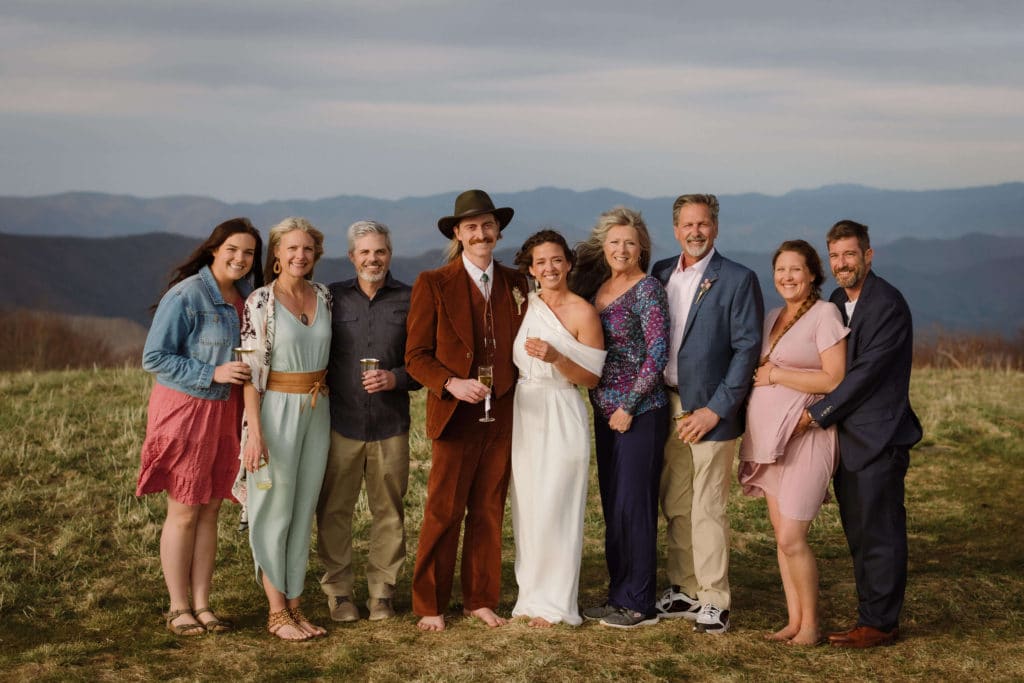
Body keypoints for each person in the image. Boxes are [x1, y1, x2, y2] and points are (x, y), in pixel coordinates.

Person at [405, 189, 530, 631]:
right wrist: (451, 383)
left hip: (505, 414)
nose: (481, 234)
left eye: (488, 225)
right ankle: (430, 604)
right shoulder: (433, 283)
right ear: (458, 234)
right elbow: (416, 356)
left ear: (498, 231)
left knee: (489, 508)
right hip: (455, 416)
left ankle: (480, 598)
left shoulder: (519, 283)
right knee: (444, 509)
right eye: (471, 227)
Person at [137, 217, 263, 636]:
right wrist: (213, 372)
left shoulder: (245, 298)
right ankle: (178, 607)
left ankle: (204, 605)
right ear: (214, 249)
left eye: (248, 253)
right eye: (233, 250)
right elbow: (154, 358)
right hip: (188, 411)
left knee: (210, 510)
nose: (241, 259)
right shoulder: (188, 295)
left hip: (225, 414)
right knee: (185, 510)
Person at [799, 220, 922, 649]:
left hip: (879, 438)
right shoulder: (836, 299)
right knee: (859, 532)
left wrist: (817, 414)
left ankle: (881, 624)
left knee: (880, 534)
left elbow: (864, 376)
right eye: (835, 256)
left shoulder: (887, 304)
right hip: (848, 441)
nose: (841, 263)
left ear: (868, 256)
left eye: (850, 254)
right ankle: (871, 613)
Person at [652, 193, 763, 634]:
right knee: (676, 503)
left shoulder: (737, 279)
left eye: (703, 224)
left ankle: (715, 598)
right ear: (675, 230)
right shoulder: (660, 273)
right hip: (667, 404)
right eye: (687, 225)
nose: (695, 232)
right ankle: (685, 587)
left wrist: (715, 410)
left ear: (714, 228)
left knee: (708, 507)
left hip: (711, 411)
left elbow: (746, 350)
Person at [738, 240, 848, 645]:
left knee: (792, 537)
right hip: (770, 442)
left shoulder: (825, 314)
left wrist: (777, 377)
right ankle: (794, 621)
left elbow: (834, 379)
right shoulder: (771, 317)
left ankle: (813, 626)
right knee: (779, 533)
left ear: (813, 274)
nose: (787, 277)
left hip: (808, 437)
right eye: (780, 269)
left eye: (795, 270)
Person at [316, 220, 419, 623]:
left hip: (392, 424)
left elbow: (423, 361)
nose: (372, 259)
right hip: (340, 422)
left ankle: (382, 592)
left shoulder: (410, 299)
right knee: (334, 510)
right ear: (351, 257)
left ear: (389, 255)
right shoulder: (331, 298)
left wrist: (396, 377)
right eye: (365, 252)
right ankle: (339, 593)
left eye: (380, 252)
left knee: (389, 511)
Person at [573, 207, 670, 630]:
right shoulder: (599, 287)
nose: (621, 249)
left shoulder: (647, 289)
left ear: (642, 248)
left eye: (630, 242)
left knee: (635, 505)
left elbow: (658, 353)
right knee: (614, 505)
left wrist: (629, 406)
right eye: (614, 242)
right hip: (604, 413)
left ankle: (639, 602)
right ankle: (618, 594)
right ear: (604, 246)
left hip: (639, 413)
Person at [238, 217, 332, 641]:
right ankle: (276, 612)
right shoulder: (261, 302)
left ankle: (296, 607)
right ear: (275, 254)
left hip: (318, 409)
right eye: (291, 248)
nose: (300, 255)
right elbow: (250, 372)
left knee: (301, 509)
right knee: (273, 508)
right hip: (275, 411)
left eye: (307, 249)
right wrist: (254, 431)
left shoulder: (325, 296)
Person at [509, 230, 606, 628]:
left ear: (568, 263)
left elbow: (593, 377)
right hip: (524, 412)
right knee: (528, 506)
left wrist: (557, 357)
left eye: (555, 260)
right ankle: (530, 596)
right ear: (530, 270)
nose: (549, 268)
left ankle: (556, 603)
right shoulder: (523, 306)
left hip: (562, 408)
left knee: (558, 505)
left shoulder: (584, 311)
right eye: (540, 262)